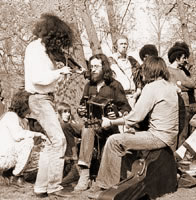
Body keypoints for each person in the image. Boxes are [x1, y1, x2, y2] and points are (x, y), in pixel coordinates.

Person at [86, 56, 179, 199]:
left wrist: (111, 122)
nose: (142, 74)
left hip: (157, 137)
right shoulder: (170, 86)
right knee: (125, 139)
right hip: (169, 137)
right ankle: (121, 181)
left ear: (149, 70)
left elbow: (136, 116)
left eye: (144, 71)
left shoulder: (151, 87)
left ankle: (105, 186)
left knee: (113, 141)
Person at [24, 13, 74, 198]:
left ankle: (40, 187)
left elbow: (47, 79)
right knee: (59, 140)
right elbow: (38, 79)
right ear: (52, 34)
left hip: (45, 99)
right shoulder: (35, 49)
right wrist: (59, 71)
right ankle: (54, 188)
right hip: (39, 98)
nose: (59, 44)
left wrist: (60, 73)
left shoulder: (41, 49)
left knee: (50, 145)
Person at [74, 53, 131, 191]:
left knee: (88, 128)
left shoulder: (114, 85)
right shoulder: (89, 86)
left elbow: (126, 108)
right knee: (74, 127)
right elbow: (83, 106)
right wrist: (80, 110)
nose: (93, 69)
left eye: (96, 66)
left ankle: (86, 175)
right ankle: (82, 172)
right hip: (91, 125)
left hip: (108, 127)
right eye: (91, 66)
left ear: (104, 67)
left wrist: (116, 114)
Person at [0, 90, 47, 177]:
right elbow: (18, 135)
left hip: (11, 155)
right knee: (28, 142)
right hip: (3, 157)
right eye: (30, 106)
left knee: (42, 155)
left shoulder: (24, 120)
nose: (31, 110)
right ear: (24, 106)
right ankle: (15, 175)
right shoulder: (10, 116)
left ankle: (14, 174)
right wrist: (37, 134)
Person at [167, 41, 196, 148]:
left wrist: (180, 83)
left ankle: (181, 157)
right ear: (176, 57)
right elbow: (169, 87)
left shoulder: (183, 71)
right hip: (174, 105)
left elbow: (192, 84)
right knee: (174, 132)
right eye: (183, 57)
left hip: (186, 105)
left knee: (184, 132)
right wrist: (182, 86)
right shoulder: (167, 71)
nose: (185, 60)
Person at [109, 35, 140, 107]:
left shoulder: (132, 61)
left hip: (132, 96)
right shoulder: (110, 60)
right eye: (121, 44)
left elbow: (139, 78)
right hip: (118, 97)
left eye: (125, 44)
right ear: (116, 46)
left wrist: (137, 93)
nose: (124, 46)